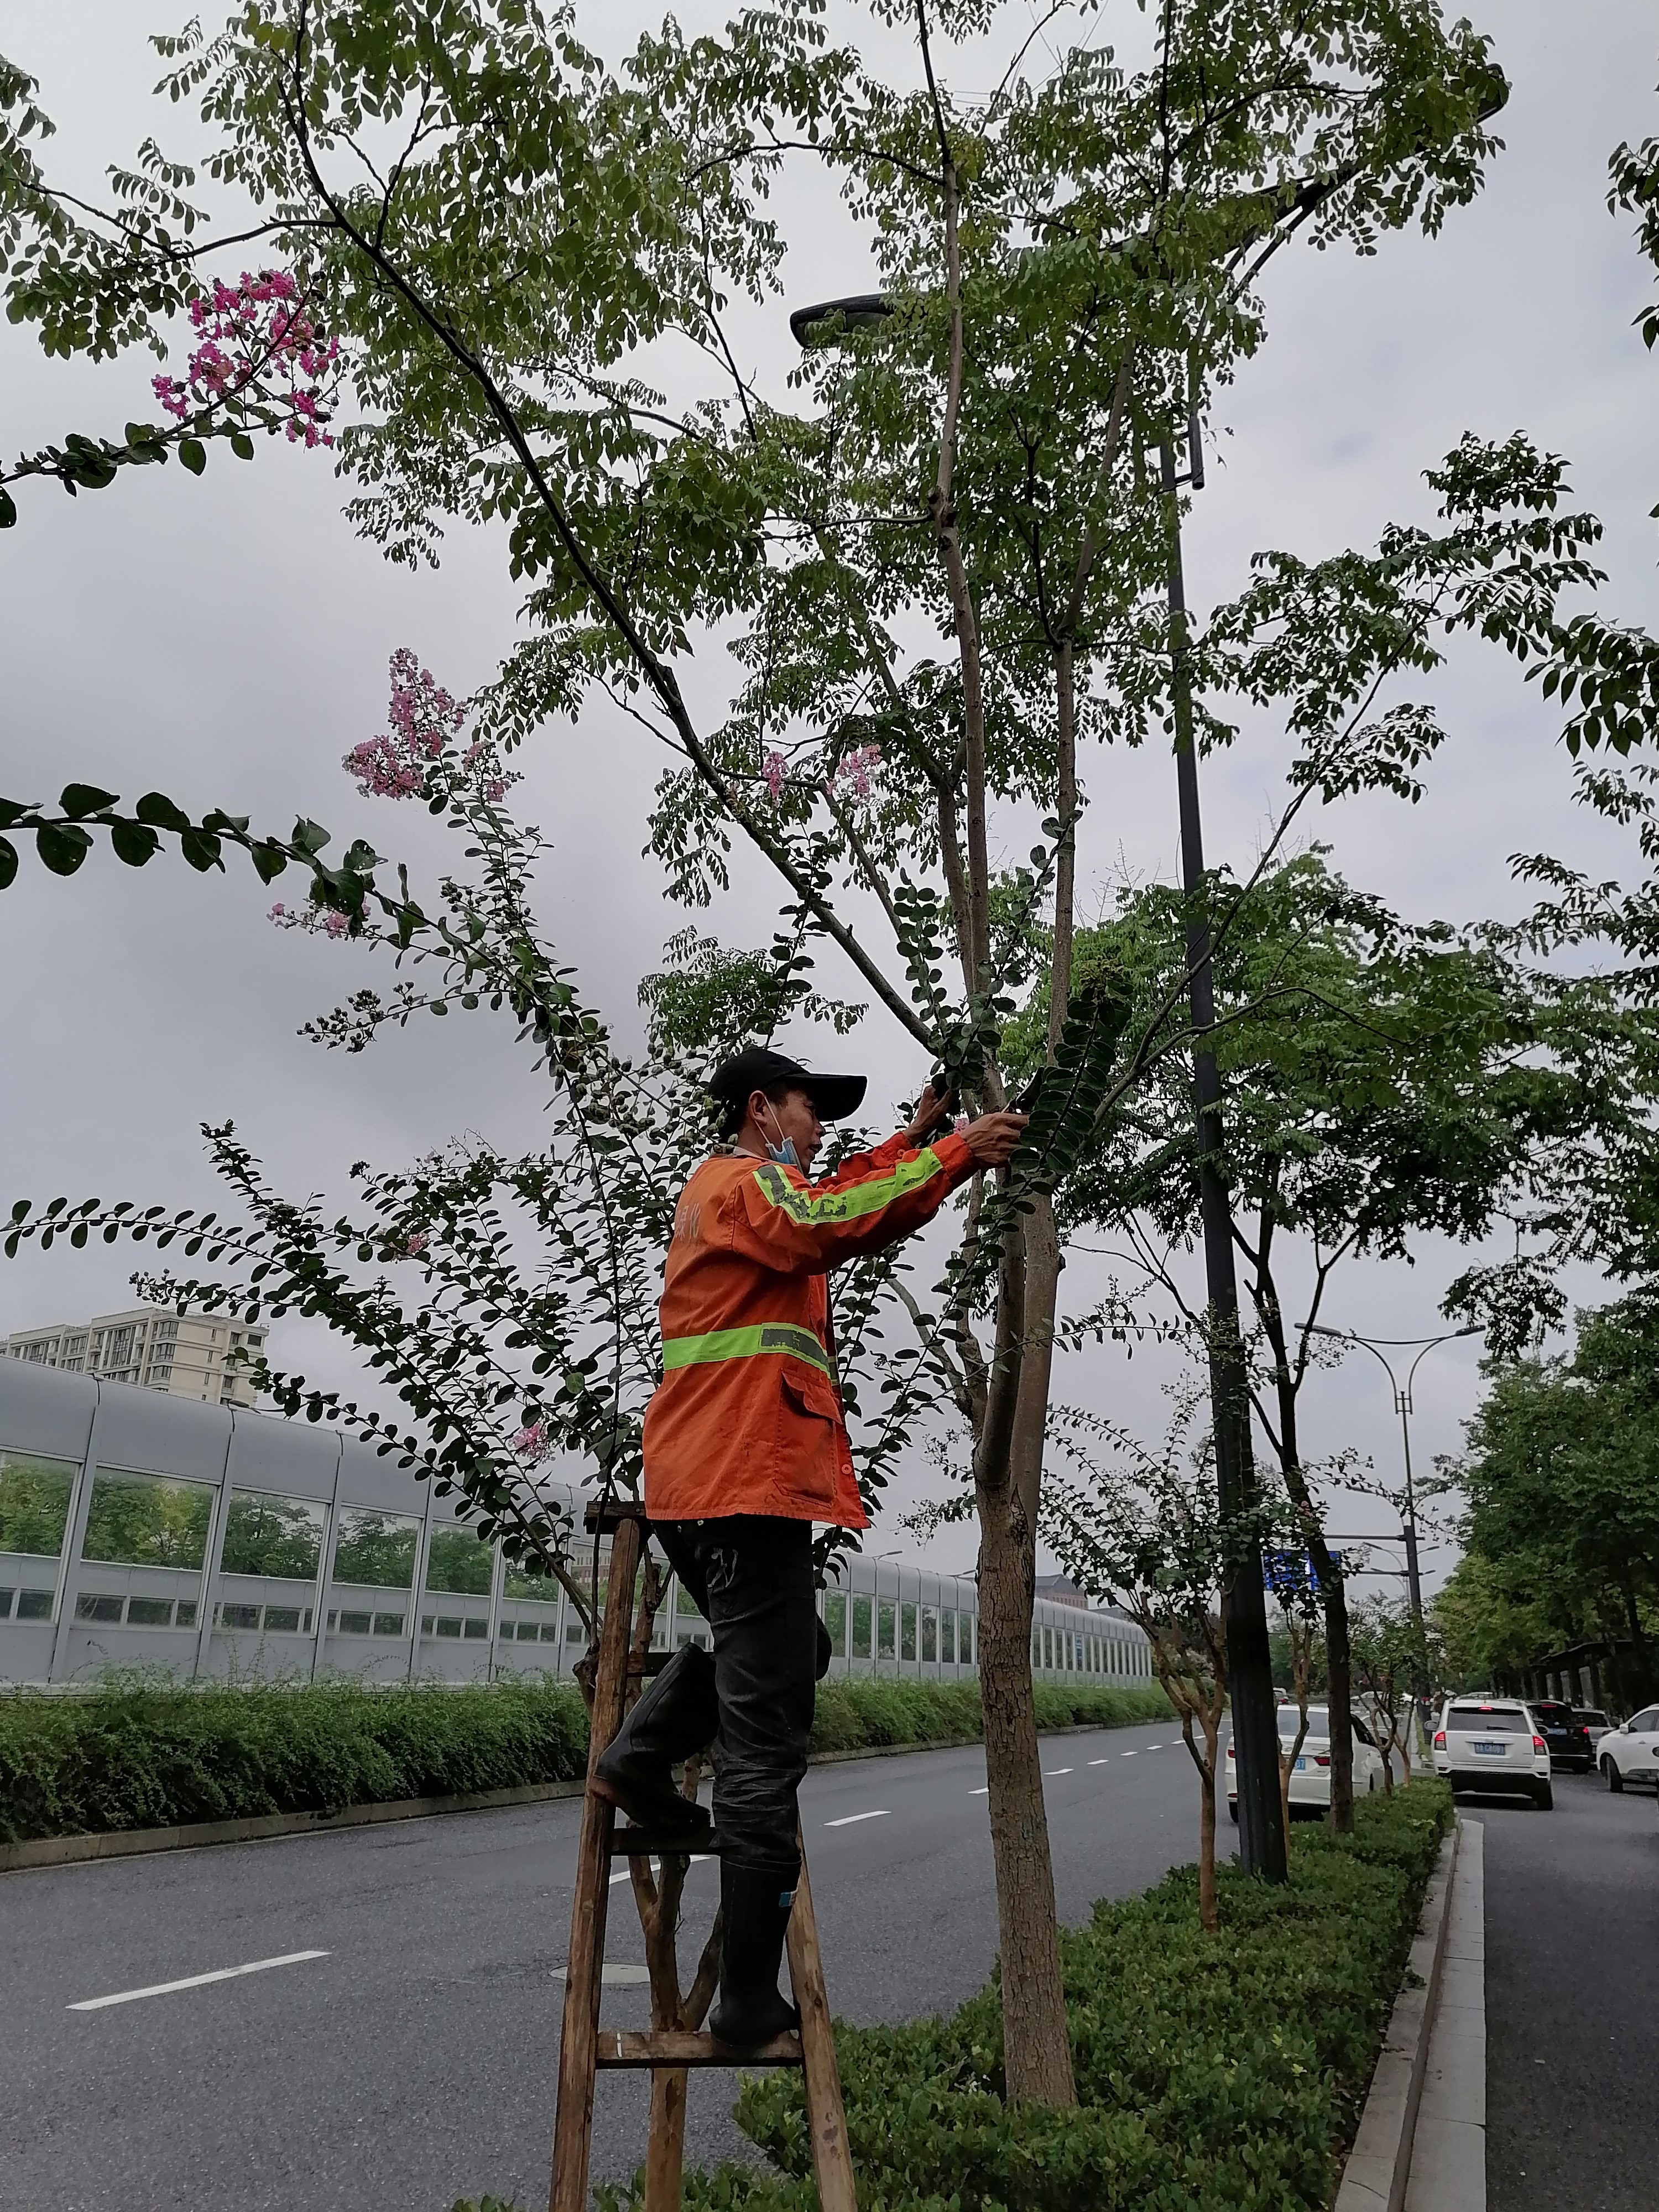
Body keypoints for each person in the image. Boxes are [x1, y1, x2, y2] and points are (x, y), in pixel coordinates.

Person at [592, 1045, 1027, 2046]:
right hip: (737, 1483)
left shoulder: (755, 1191)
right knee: (768, 1735)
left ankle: (636, 1759)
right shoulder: (737, 1187)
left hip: (724, 1482)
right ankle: (747, 1996)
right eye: (807, 1108)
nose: (819, 1127)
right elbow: (824, 1219)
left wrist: (919, 1138)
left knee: (792, 1656)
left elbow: (837, 1195)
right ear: (759, 1111)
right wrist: (956, 1153)